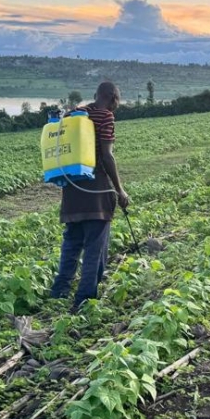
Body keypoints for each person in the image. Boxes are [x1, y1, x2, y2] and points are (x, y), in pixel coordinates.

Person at [50, 81, 130, 312]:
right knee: (96, 246)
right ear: (114, 98)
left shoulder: (77, 114)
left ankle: (59, 292)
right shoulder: (105, 117)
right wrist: (120, 189)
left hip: (73, 187)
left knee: (72, 242)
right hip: (96, 189)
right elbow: (107, 156)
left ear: (96, 95)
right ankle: (84, 299)